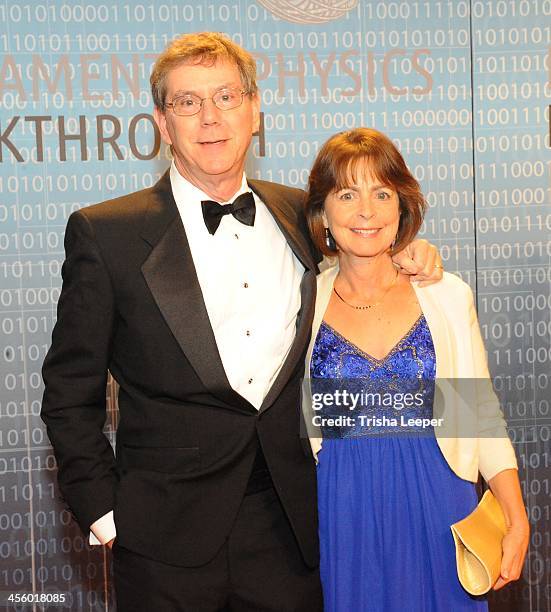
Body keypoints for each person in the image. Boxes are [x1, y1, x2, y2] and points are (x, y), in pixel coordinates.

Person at [41, 34, 441, 611]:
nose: (210, 118)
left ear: (254, 112)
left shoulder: (301, 213)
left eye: (226, 96)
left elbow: (367, 251)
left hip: (291, 528)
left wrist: (412, 255)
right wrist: (103, 513)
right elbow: (68, 392)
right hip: (163, 539)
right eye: (187, 102)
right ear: (161, 122)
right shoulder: (107, 234)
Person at [303, 128, 530, 611]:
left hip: (440, 500)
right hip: (342, 513)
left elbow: (479, 416)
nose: (366, 211)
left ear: (402, 207)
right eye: (347, 193)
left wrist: (516, 515)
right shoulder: (300, 306)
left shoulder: (447, 296)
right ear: (322, 214)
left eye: (381, 193)